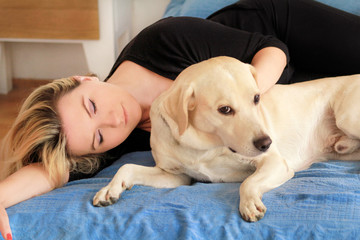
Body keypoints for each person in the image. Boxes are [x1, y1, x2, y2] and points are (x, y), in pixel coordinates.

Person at [1, 0, 360, 238]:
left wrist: (247, 98)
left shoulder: (162, 39)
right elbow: (51, 171)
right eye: (97, 138)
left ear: (86, 78)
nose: (111, 121)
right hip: (285, 107)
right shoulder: (128, 138)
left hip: (274, 42)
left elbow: (273, 51)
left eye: (92, 106)